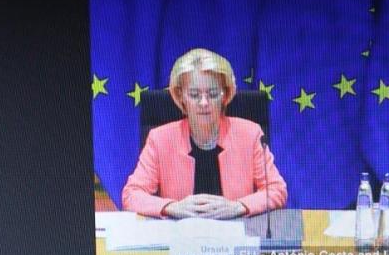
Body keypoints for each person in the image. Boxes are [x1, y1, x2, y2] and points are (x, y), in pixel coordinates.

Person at [122, 48, 287, 219]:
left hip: (235, 236)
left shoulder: (250, 134)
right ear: (180, 96)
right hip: (181, 237)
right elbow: (131, 194)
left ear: (225, 95)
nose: (203, 103)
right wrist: (171, 207)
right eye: (194, 95)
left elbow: (276, 190)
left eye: (213, 94)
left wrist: (238, 206)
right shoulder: (161, 139)